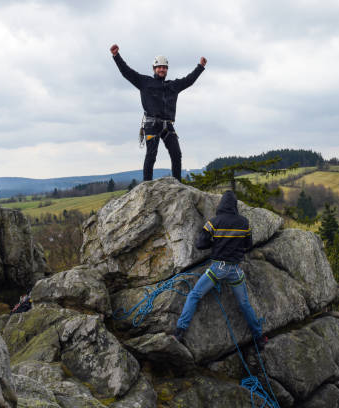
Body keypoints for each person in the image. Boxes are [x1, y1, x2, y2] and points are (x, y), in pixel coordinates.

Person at [174, 190, 267, 351]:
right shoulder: (244, 223)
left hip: (217, 268)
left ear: (221, 204)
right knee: (245, 304)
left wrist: (215, 244)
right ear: (235, 206)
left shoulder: (214, 222)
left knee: (195, 295)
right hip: (235, 270)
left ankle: (180, 331)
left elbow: (200, 244)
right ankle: (259, 338)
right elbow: (248, 245)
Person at [110, 44, 207, 181]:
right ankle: (147, 186)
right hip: (152, 124)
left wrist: (200, 67)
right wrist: (116, 56)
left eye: (164, 67)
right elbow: (127, 72)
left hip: (168, 125)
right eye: (159, 67)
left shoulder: (172, 86)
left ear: (167, 69)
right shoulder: (145, 82)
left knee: (176, 154)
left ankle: (177, 184)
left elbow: (189, 80)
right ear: (154, 69)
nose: (161, 69)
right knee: (151, 155)